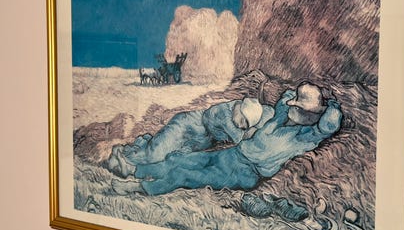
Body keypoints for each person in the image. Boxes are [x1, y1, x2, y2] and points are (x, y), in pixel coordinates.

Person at [112, 82, 343, 196]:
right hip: (234, 154)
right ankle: (136, 170)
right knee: (177, 160)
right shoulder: (280, 116)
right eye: (298, 107)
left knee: (184, 174)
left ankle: (140, 188)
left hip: (246, 172)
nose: (297, 111)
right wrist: (299, 100)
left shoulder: (304, 137)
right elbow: (285, 98)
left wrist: (329, 105)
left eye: (303, 111)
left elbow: (329, 126)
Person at [106, 97, 274, 178]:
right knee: (153, 155)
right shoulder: (223, 113)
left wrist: (254, 124)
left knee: (166, 161)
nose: (243, 126)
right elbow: (240, 139)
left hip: (197, 142)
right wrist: (253, 130)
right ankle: (123, 155)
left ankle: (138, 149)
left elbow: (269, 111)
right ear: (240, 109)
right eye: (243, 121)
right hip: (185, 127)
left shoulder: (239, 112)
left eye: (246, 125)